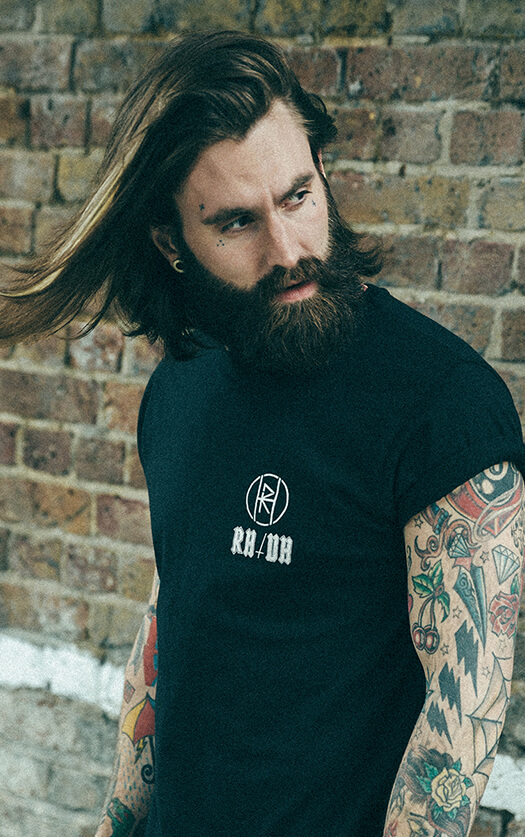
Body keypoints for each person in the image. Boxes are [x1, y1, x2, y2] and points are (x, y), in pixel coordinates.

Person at [1, 30, 524, 837]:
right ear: (171, 243)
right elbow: (175, 612)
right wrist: (117, 815)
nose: (287, 250)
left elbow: (457, 726)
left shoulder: (443, 408)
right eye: (237, 222)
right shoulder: (178, 388)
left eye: (298, 197)